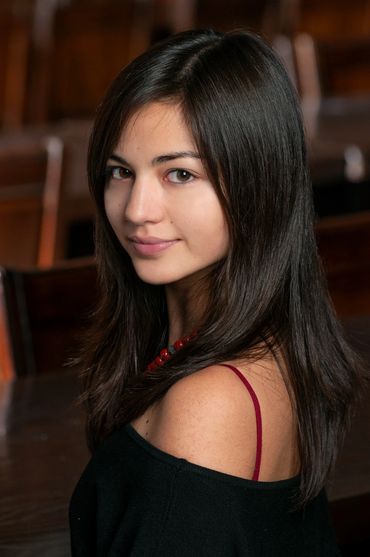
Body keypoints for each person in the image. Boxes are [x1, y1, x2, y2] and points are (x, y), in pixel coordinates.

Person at [69, 29, 363, 556]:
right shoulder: (272, 343)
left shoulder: (207, 403)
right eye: (121, 171)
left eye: (179, 173)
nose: (137, 209)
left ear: (257, 181)